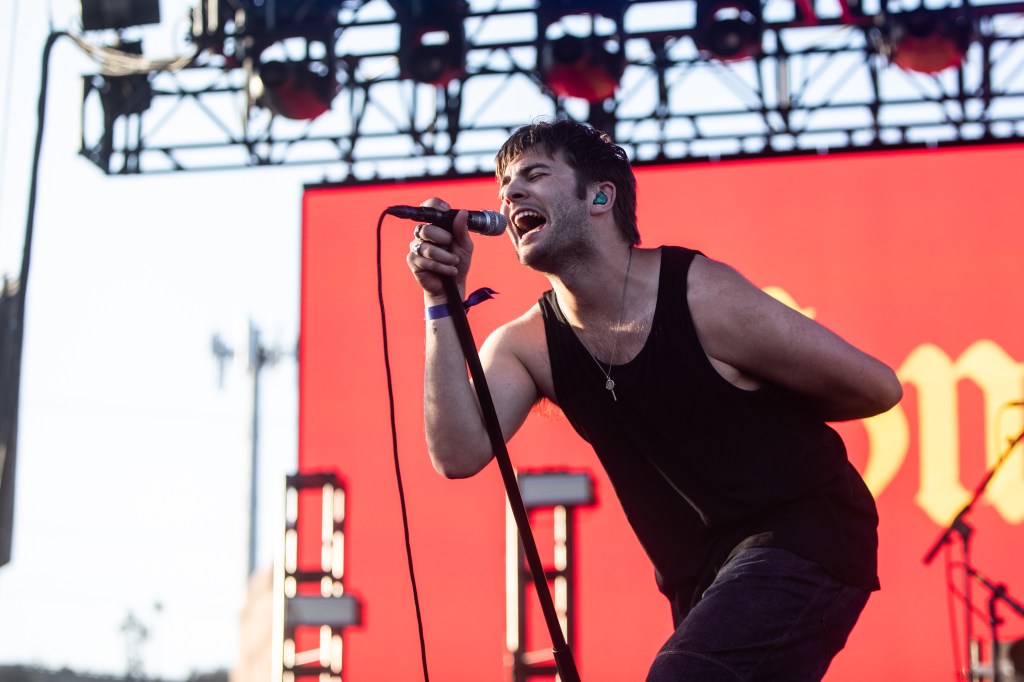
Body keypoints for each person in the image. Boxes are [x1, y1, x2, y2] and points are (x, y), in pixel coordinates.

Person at [406, 119, 902, 681]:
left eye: (534, 175)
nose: (510, 193)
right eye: (504, 186)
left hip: (807, 534)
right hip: (700, 577)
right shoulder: (528, 345)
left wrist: (762, 399)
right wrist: (440, 301)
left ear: (600, 196)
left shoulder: (701, 294)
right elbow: (458, 453)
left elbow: (878, 387)